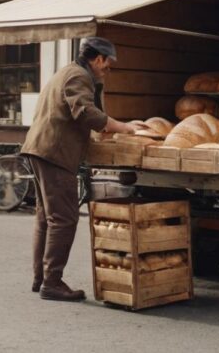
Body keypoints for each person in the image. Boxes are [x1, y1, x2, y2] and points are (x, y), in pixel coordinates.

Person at [22, 37, 144, 302]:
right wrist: (122, 127)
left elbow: (86, 111)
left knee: (47, 218)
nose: (107, 71)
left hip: (41, 149)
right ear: (98, 59)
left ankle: (41, 279)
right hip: (55, 152)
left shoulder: (68, 71)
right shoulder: (79, 76)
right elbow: (85, 112)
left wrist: (105, 115)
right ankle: (52, 282)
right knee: (64, 218)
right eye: (108, 65)